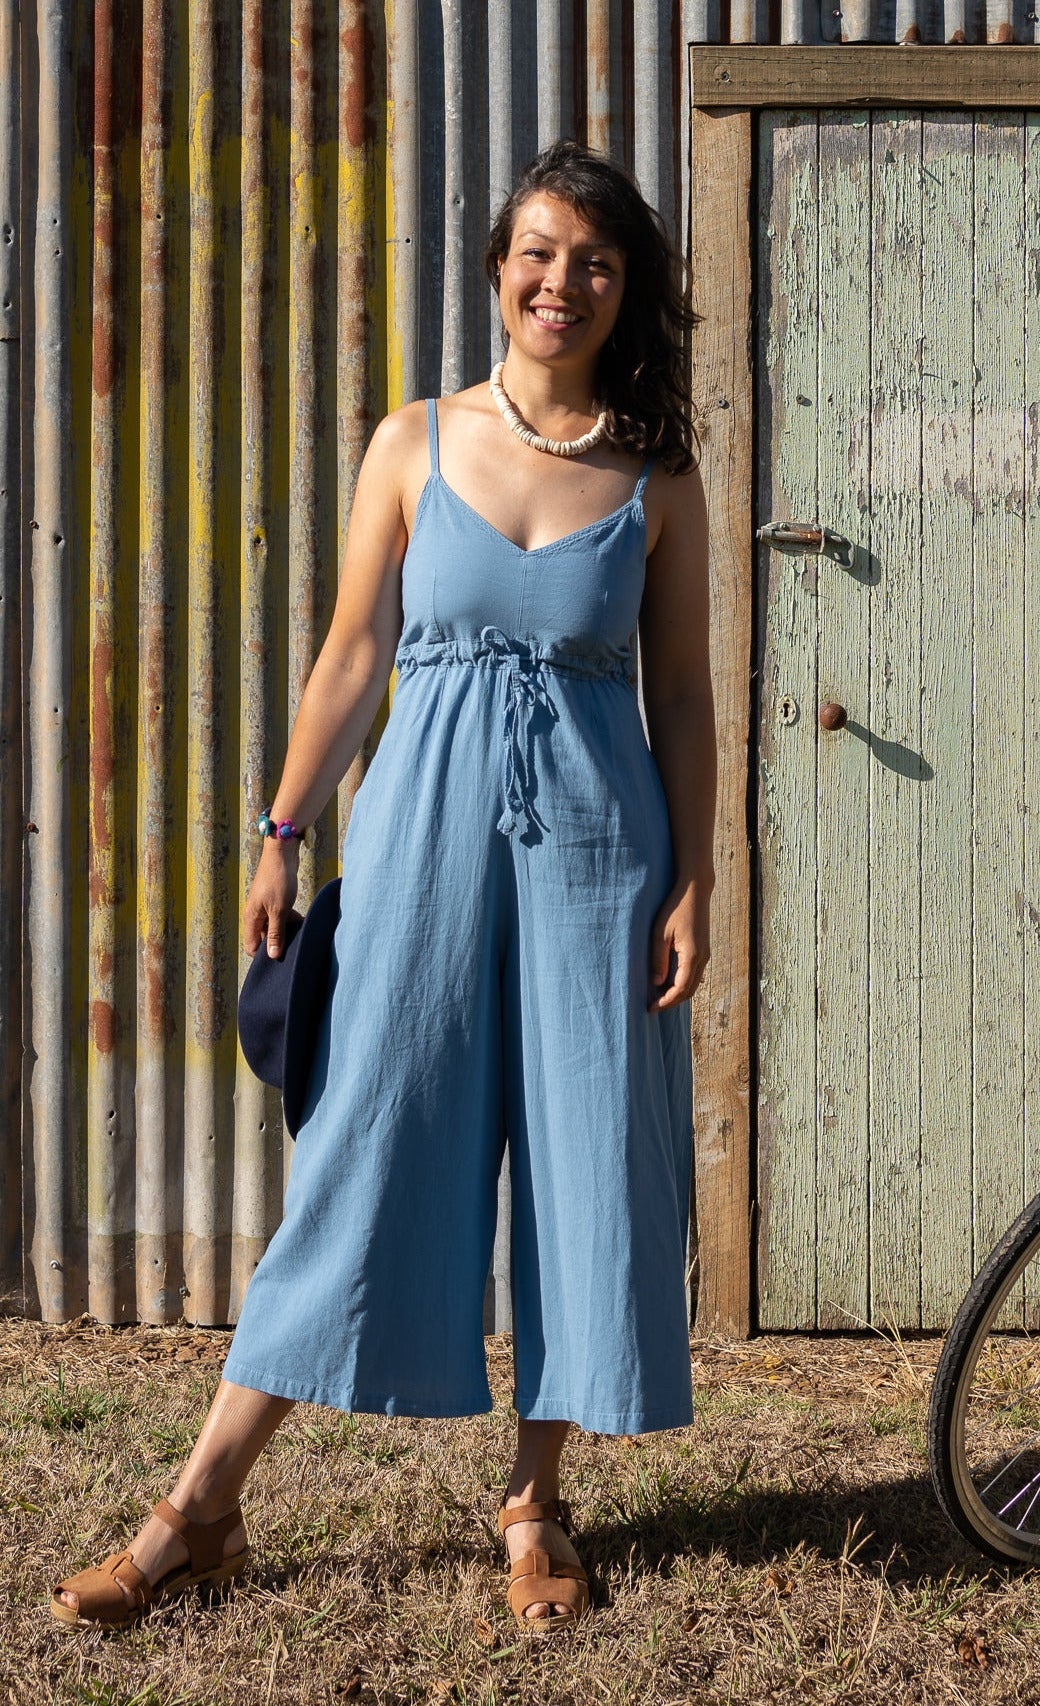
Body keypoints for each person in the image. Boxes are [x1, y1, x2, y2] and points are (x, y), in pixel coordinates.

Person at [51, 139, 716, 1635]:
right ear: (498, 267)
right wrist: (280, 827)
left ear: (628, 290)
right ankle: (198, 1508)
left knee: (584, 1154)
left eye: (597, 261)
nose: (565, 282)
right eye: (541, 252)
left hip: (600, 853)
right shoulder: (413, 440)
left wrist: (697, 879)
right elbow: (354, 651)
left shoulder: (656, 469)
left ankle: (536, 1501)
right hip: (419, 838)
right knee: (365, 1138)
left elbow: (682, 692)